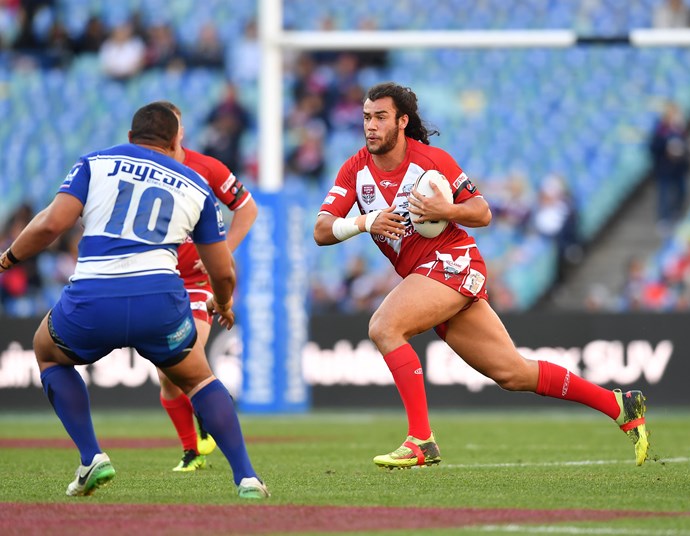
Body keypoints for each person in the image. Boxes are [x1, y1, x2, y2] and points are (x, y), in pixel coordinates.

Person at [313, 82, 651, 469]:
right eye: (366, 118)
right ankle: (620, 405)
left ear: (402, 121)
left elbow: (482, 211)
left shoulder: (432, 161)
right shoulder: (355, 169)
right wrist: (365, 221)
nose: (371, 126)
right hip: (429, 276)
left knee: (384, 327)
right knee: (513, 373)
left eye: (380, 117)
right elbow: (321, 230)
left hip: (453, 261)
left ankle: (421, 439)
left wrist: (445, 210)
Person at [2, 102, 268, 499]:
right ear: (176, 141)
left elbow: (50, 225)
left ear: (130, 137)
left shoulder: (95, 163)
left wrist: (8, 259)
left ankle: (92, 456)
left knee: (47, 351)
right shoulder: (195, 185)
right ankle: (246, 478)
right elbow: (223, 271)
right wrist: (225, 302)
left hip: (93, 297)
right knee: (198, 378)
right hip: (159, 301)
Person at [154, 100, 258, 472]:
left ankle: (217, 442)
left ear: (181, 132)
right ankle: (194, 449)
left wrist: (222, 251)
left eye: (173, 126)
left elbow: (247, 207)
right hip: (157, 280)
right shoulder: (143, 170)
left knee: (185, 357)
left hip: (197, 283)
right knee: (166, 377)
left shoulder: (207, 167)